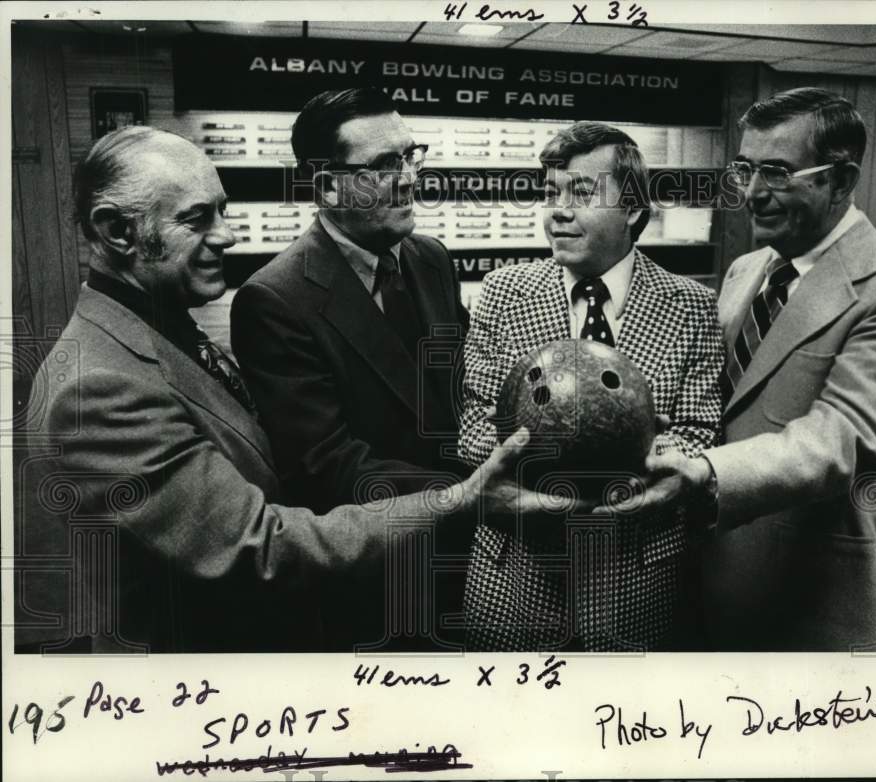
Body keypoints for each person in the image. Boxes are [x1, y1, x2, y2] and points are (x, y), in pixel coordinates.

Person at [21, 126, 563, 654]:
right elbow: (263, 546)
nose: (227, 236)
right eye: (196, 219)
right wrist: (461, 499)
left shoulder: (159, 328)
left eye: (223, 211)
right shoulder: (95, 391)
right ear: (117, 232)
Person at [605, 88, 876, 652]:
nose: (753, 193)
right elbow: (721, 398)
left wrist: (705, 472)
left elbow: (843, 439)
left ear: (841, 180)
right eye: (745, 169)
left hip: (809, 603)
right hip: (704, 580)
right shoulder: (749, 269)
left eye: (777, 172)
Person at [459, 122, 725, 651]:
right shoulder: (502, 293)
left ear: (631, 208)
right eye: (550, 193)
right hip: (517, 574)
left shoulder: (691, 306)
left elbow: (699, 432)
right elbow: (472, 428)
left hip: (636, 576)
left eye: (581, 193)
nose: (558, 210)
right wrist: (576, 467)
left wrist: (644, 468)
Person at [230, 88, 468, 513]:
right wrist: (472, 493)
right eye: (383, 166)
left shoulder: (433, 259)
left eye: (411, 156)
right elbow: (325, 466)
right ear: (328, 189)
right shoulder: (273, 302)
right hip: (381, 554)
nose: (410, 179)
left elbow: (464, 389)